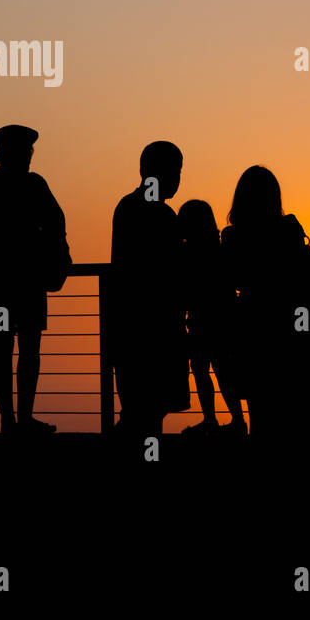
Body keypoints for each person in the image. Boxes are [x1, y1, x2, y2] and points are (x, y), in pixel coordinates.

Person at [220, 166, 310, 438]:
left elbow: (229, 279)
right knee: (293, 414)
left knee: (261, 412)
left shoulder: (234, 237)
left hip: (255, 333)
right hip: (291, 333)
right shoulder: (288, 231)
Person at [0, 125, 70, 434]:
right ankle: (16, 417)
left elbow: (57, 223)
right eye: (24, 151)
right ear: (6, 154)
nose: (28, 157)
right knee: (18, 350)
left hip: (11, 285)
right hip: (15, 284)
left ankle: (14, 418)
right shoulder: (27, 185)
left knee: (14, 350)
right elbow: (56, 224)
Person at [107, 141, 190, 437]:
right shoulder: (162, 216)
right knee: (149, 409)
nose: (178, 179)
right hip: (155, 325)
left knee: (140, 407)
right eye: (175, 171)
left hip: (129, 324)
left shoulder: (127, 207)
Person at [178, 200, 243, 436]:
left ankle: (214, 420)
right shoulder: (220, 249)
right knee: (220, 370)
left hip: (203, 321)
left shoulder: (187, 253)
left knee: (205, 370)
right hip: (221, 320)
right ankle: (234, 420)